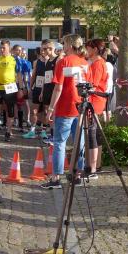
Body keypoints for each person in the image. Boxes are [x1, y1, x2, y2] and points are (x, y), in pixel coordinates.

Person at [41, 34, 88, 190]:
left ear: (69, 45)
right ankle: (78, 175)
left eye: (64, 44)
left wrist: (50, 109)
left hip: (66, 107)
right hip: (80, 106)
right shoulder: (84, 62)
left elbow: (58, 87)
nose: (62, 46)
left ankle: (56, 178)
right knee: (79, 141)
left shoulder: (64, 61)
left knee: (59, 143)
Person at [83, 39, 108, 178]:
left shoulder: (98, 64)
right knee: (95, 133)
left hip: (95, 101)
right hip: (96, 100)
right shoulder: (97, 62)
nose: (86, 51)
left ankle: (93, 168)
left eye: (88, 48)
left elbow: (93, 84)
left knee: (92, 133)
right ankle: (96, 165)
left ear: (95, 49)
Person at [24, 40, 54, 139]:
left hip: (47, 88)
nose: (43, 51)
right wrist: (30, 88)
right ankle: (32, 130)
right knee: (34, 111)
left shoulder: (51, 61)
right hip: (37, 87)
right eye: (41, 49)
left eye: (44, 49)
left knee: (45, 111)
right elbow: (33, 75)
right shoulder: (37, 62)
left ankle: (43, 130)